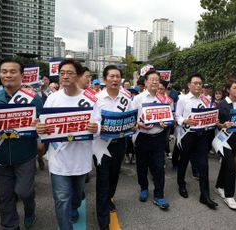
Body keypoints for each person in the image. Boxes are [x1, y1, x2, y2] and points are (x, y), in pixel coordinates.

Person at [36, 59, 98, 230]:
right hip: (58, 159)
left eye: (69, 73)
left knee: (76, 196)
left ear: (78, 76)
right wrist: (40, 128)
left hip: (81, 159)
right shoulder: (52, 99)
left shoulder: (90, 99)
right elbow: (44, 127)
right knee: (61, 198)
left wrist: (96, 127)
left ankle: (74, 206)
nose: (65, 76)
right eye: (62, 73)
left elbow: (99, 125)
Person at [0, 59, 43, 229]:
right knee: (5, 195)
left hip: (25, 154)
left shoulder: (34, 99)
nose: (8, 75)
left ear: (22, 75)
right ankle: (10, 225)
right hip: (0, 155)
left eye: (12, 71)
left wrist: (39, 128)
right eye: (4, 71)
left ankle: (30, 210)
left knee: (24, 192)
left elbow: (42, 125)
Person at [93, 65, 133, 229]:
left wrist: (134, 124)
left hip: (120, 144)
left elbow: (131, 118)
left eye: (118, 77)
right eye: (112, 76)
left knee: (114, 176)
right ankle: (103, 221)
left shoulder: (126, 99)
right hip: (101, 145)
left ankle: (109, 198)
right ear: (105, 79)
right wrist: (98, 126)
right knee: (102, 180)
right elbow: (91, 122)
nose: (115, 79)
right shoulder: (96, 99)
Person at [175, 73, 218, 209]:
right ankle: (181, 184)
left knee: (204, 165)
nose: (198, 86)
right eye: (195, 83)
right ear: (189, 85)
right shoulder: (183, 99)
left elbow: (209, 115)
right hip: (187, 135)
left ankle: (205, 195)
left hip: (202, 136)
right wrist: (184, 120)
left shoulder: (206, 99)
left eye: (200, 83)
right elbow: (177, 115)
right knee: (184, 161)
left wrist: (213, 119)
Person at [132, 69, 170, 210]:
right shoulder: (138, 99)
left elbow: (169, 117)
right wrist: (139, 124)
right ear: (146, 82)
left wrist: (166, 123)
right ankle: (144, 188)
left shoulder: (164, 99)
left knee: (159, 167)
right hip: (142, 137)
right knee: (141, 166)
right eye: (151, 79)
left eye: (157, 79)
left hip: (159, 138)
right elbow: (132, 120)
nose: (155, 81)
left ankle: (159, 195)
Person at [215, 79, 236, 210]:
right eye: (234, 87)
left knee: (226, 165)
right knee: (231, 167)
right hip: (223, 141)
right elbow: (216, 123)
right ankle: (229, 196)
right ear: (228, 90)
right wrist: (223, 125)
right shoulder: (221, 104)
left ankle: (219, 186)